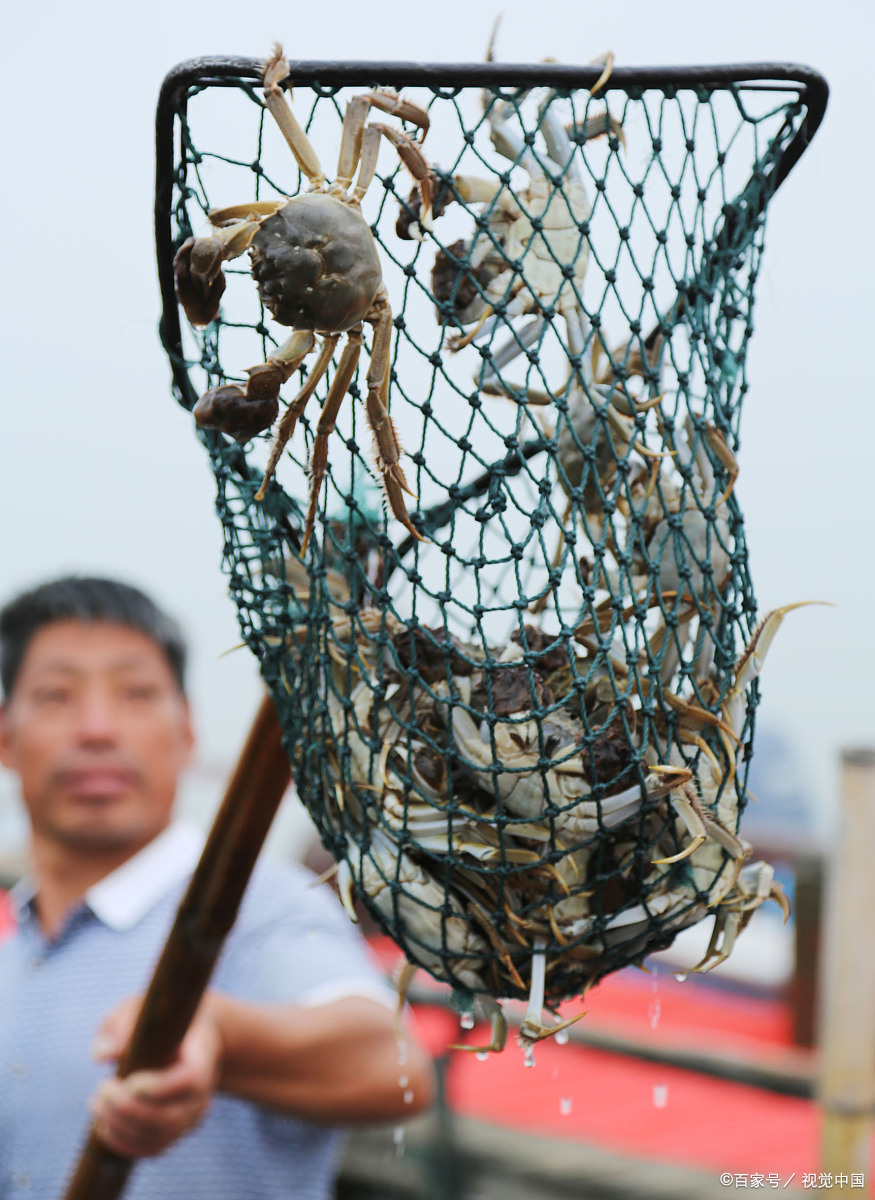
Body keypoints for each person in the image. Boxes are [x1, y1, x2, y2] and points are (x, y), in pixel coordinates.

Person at [0, 576, 434, 1200]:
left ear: (188, 731)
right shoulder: (14, 958)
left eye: (137, 693)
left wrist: (217, 1037)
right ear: (7, 740)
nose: (96, 728)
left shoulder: (264, 903)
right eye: (55, 696)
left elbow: (394, 1067)